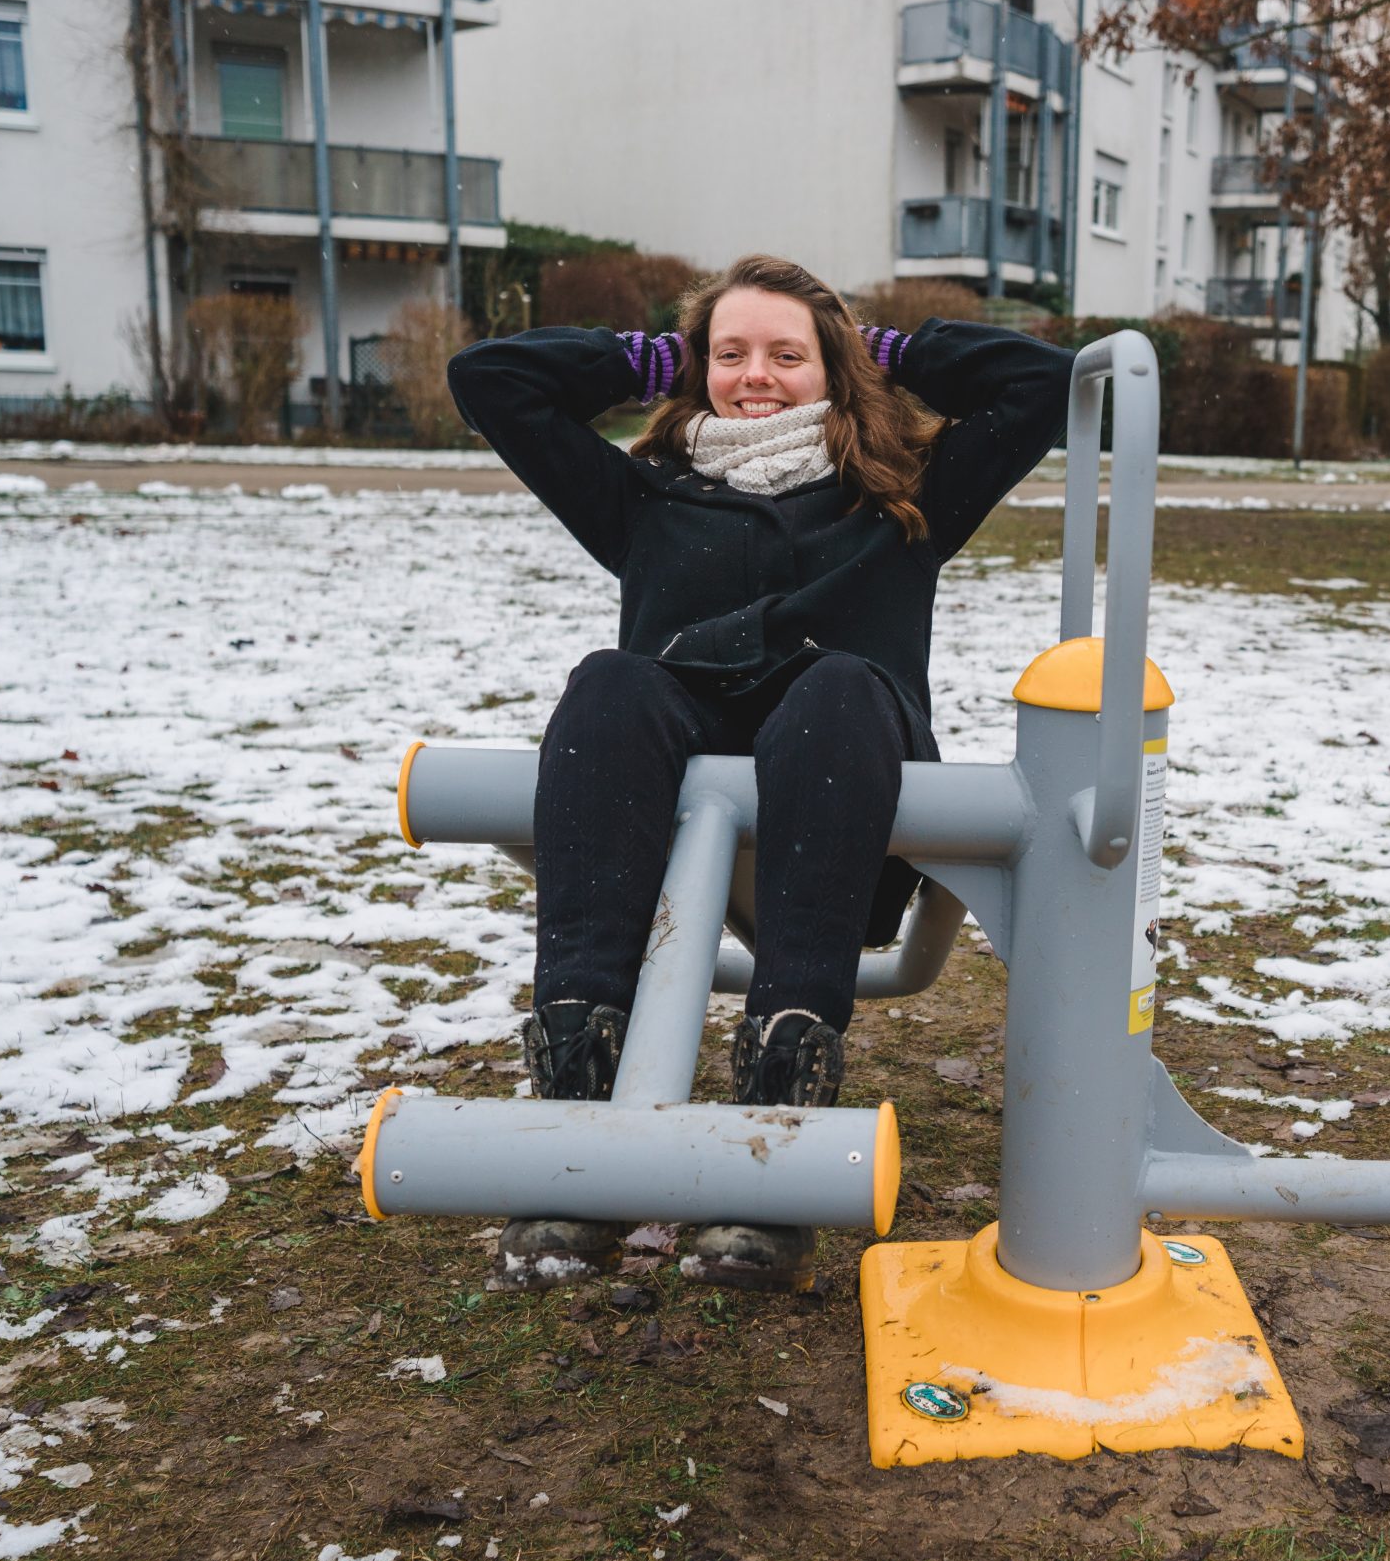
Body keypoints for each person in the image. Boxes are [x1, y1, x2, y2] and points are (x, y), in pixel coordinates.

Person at [445, 255, 1072, 1289]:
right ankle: (576, 1111)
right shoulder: (643, 499)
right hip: (663, 818)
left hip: (838, 810)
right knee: (611, 682)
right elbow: (491, 381)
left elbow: (1042, 385)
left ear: (835, 369)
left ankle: (776, 1122)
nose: (756, 375)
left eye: (789, 354)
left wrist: (894, 349)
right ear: (692, 368)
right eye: (727, 354)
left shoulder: (902, 499)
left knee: (832, 689)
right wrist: (640, 358)